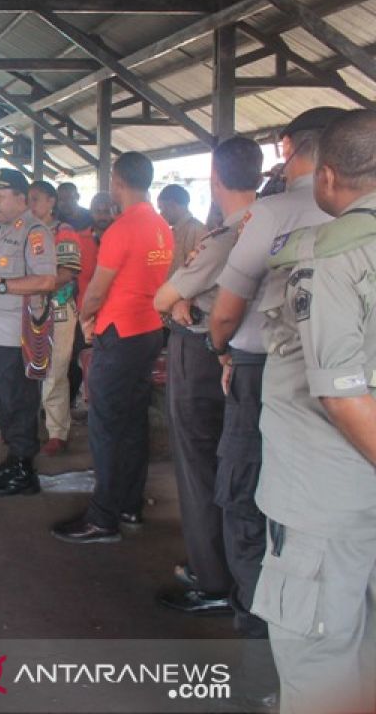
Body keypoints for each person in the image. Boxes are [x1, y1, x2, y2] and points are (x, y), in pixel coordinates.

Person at [253, 109, 376, 714]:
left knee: (321, 667)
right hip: (361, 505)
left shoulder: (328, 256)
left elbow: (343, 394)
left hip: (326, 503)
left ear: (327, 176)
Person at [208, 107, 343, 642]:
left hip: (262, 368)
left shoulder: (275, 210)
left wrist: (220, 349)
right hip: (341, 378)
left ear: (289, 147)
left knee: (245, 491)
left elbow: (225, 310)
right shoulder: (357, 214)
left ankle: (256, 615)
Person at [152, 136, 264, 617]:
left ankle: (212, 577)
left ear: (216, 180)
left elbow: (164, 298)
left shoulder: (225, 238)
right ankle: (231, 568)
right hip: (251, 362)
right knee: (237, 467)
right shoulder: (274, 224)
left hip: (203, 353)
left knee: (198, 465)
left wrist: (182, 304)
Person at [53, 152, 173, 544]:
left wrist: (86, 318)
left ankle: (102, 517)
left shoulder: (123, 229)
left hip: (118, 333)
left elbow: (98, 290)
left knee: (105, 426)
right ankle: (128, 503)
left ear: (118, 182)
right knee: (133, 422)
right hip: (149, 329)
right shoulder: (161, 227)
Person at [0, 170, 57, 497]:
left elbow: (46, 282)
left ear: (21, 198)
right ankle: (14, 459)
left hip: (16, 336)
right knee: (3, 401)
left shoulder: (34, 232)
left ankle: (24, 472)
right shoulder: (3, 232)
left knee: (18, 402)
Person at [28, 181, 82, 454]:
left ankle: (57, 432)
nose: (31, 204)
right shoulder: (24, 231)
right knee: (30, 369)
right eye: (28, 199)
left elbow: (68, 272)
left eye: (36, 199)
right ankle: (30, 427)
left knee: (55, 372)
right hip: (28, 310)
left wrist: (38, 287)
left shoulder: (64, 232)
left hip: (58, 310)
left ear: (51, 201)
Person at [69, 191, 117, 415]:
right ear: (91, 211)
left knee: (108, 365)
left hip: (115, 315)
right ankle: (68, 406)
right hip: (83, 312)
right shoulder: (79, 239)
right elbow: (68, 276)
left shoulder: (122, 238)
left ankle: (103, 409)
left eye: (108, 210)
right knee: (75, 363)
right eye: (98, 210)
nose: (103, 215)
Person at [157, 184, 207, 279]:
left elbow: (197, 272)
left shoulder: (197, 230)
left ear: (172, 205)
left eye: (161, 208)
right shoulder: (173, 231)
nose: (161, 214)